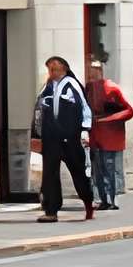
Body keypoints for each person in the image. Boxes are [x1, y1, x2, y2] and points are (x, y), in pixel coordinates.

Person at [33, 56, 96, 222]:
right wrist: (36, 135)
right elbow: (38, 112)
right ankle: (51, 210)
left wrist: (85, 130)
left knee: (78, 172)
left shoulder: (72, 84)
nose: (52, 72)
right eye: (50, 68)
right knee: (49, 174)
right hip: (50, 138)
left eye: (55, 68)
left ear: (64, 68)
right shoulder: (45, 88)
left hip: (70, 137)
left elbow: (85, 108)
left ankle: (88, 203)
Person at [87, 59, 133, 212]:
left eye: (95, 69)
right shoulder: (88, 88)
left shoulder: (111, 89)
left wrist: (107, 119)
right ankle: (102, 199)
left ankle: (110, 199)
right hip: (95, 134)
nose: (92, 73)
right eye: (90, 69)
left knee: (108, 167)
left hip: (109, 135)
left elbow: (128, 111)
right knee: (97, 169)